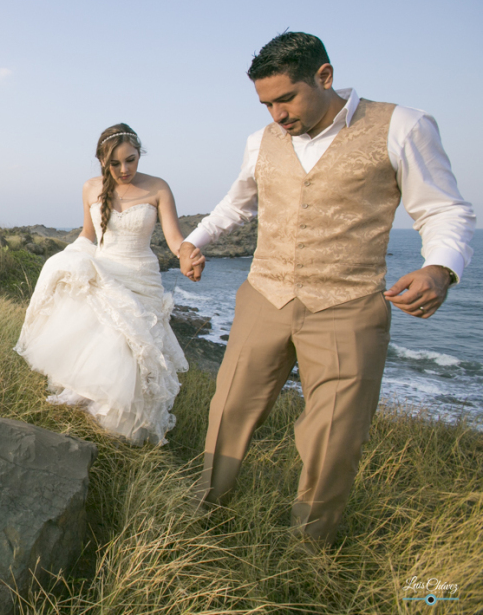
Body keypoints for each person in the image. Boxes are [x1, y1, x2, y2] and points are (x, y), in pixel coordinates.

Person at [181, 32, 476, 547]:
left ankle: (306, 549)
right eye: (266, 103)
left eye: (285, 99)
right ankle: (199, 516)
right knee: (227, 411)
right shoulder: (261, 141)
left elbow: (443, 209)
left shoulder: (402, 125)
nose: (277, 114)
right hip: (264, 295)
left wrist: (439, 269)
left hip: (347, 306)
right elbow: (237, 204)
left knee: (334, 438)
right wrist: (194, 241)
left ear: (325, 76)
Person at [15, 123, 203, 445]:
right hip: (105, 275)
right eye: (114, 164)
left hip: (142, 279)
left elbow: (174, 239)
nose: (124, 169)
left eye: (131, 160)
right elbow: (88, 235)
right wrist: (66, 261)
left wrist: (187, 253)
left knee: (133, 356)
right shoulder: (90, 188)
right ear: (102, 161)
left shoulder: (158, 188)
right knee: (104, 351)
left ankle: (122, 434)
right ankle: (92, 430)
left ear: (139, 154)